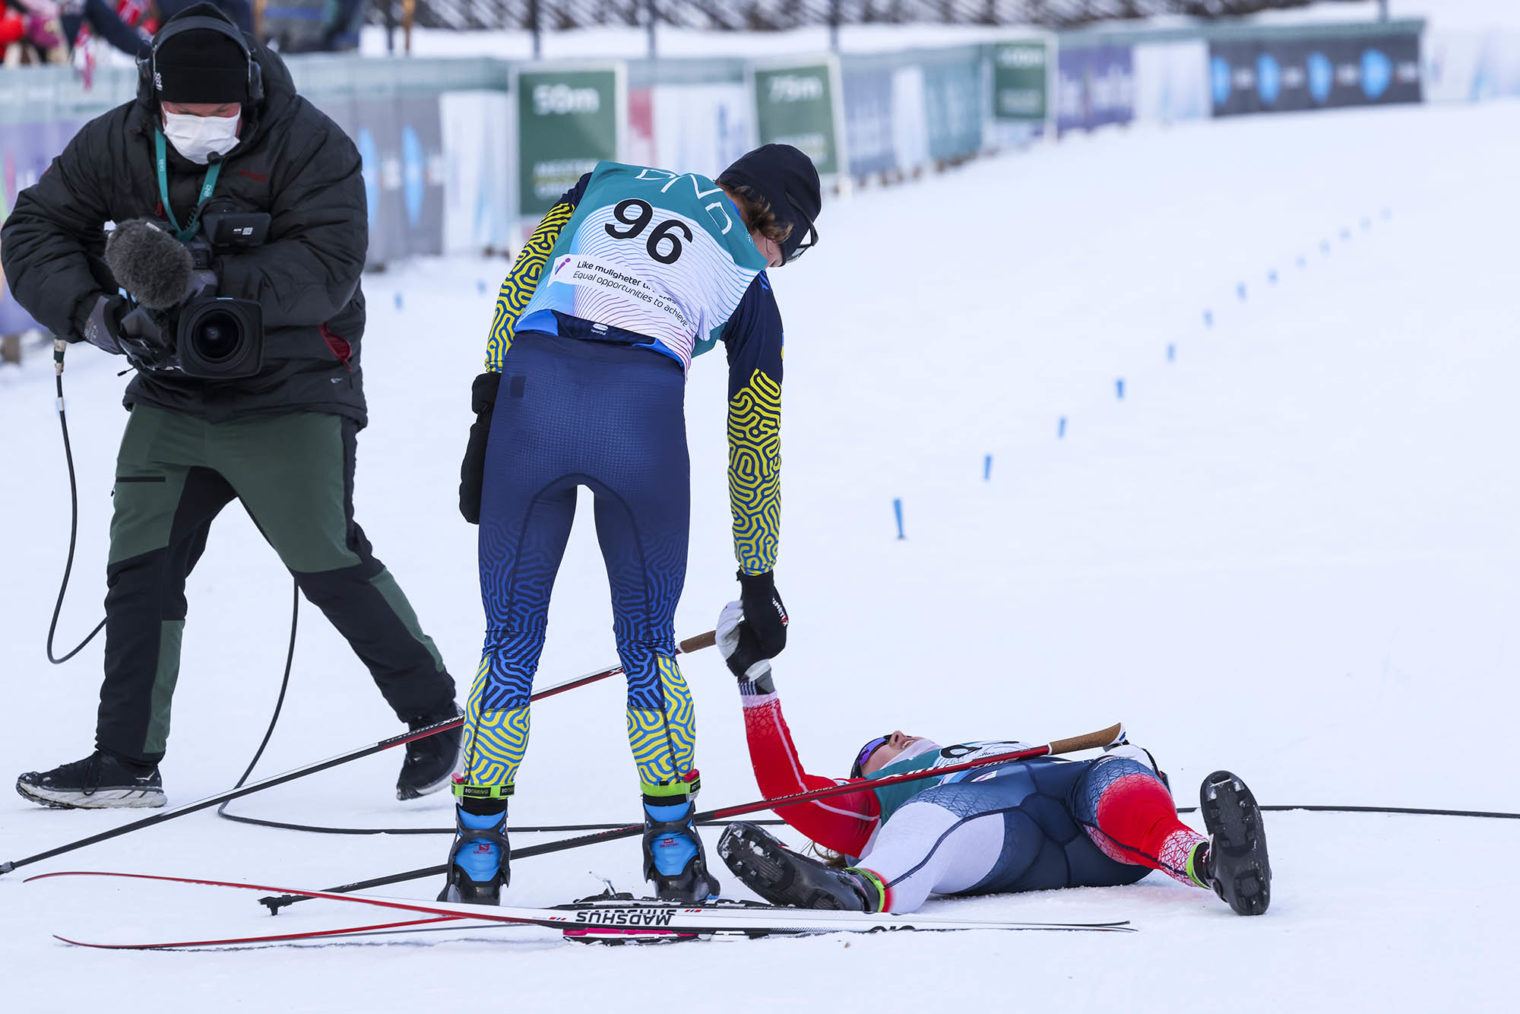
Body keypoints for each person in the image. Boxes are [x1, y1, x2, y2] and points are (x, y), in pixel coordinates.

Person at [1, 4, 461, 809]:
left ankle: (433, 717)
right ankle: (126, 761)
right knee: (139, 572)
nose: (203, 124)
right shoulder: (119, 139)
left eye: (220, 110)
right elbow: (35, 228)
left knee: (327, 562)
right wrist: (100, 315)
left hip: (290, 389)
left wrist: (210, 282)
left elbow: (329, 265)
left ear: (250, 90)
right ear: (154, 94)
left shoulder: (312, 143)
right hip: (173, 391)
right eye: (186, 110)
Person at [443, 145, 821, 905]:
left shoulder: (606, 182)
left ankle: (478, 851)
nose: (779, 264)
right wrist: (758, 577)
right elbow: (754, 437)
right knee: (647, 642)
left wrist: (488, 409)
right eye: (791, 247)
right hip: (636, 423)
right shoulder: (749, 278)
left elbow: (520, 283)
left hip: (532, 398)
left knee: (510, 638)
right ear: (774, 224)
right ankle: (675, 846)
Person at [709, 602, 1273, 917]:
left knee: (1119, 774)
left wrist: (1137, 763)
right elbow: (787, 788)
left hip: (1088, 813)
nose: (898, 735)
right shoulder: (876, 804)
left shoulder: (981, 748)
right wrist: (757, 681)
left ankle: (1210, 862)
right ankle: (859, 890)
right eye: (877, 746)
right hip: (999, 836)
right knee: (941, 807)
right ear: (865, 777)